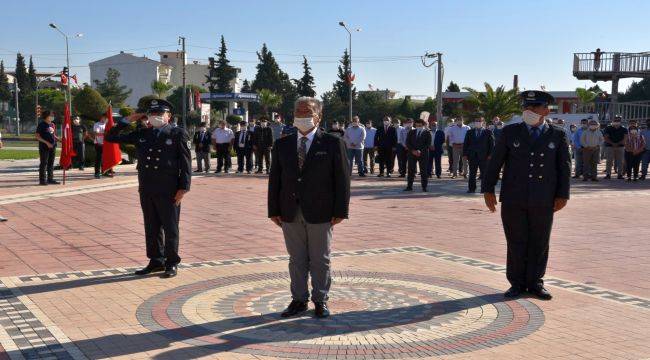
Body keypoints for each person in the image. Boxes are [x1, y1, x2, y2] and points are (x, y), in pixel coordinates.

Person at [482, 90, 570, 301]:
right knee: (516, 241)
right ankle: (516, 283)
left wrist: (562, 195)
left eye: (534, 107)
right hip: (514, 197)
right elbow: (495, 161)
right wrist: (488, 188)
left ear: (546, 110)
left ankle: (535, 283)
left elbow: (564, 167)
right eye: (526, 107)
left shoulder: (557, 134)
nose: (528, 111)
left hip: (543, 197)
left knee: (539, 241)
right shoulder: (510, 132)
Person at [268, 96, 350, 319]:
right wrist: (273, 209)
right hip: (290, 211)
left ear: (319, 116)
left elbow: (342, 180)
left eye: (307, 112)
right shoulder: (282, 144)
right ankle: (299, 299)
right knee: (296, 259)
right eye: (298, 112)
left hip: (322, 211)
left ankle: (320, 300)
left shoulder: (333, 143)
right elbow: (275, 179)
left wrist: (340, 211)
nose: (302, 116)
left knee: (320, 259)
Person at [105, 98, 191, 278]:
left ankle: (171, 262)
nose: (155, 117)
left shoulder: (177, 134)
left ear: (169, 116)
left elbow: (186, 163)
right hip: (147, 188)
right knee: (151, 227)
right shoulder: (144, 134)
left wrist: (183, 188)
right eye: (152, 114)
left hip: (169, 190)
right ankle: (156, 260)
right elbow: (110, 137)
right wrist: (127, 120)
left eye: (159, 114)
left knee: (170, 227)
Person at [463, 117, 494, 193]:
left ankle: (484, 189)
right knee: (472, 173)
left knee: (484, 174)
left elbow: (492, 145)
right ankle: (471, 189)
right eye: (476, 121)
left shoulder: (488, 132)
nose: (477, 122)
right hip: (472, 156)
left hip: (484, 156)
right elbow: (466, 144)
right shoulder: (469, 132)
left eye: (479, 121)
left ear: (483, 122)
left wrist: (490, 155)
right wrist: (465, 154)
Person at [405, 118, 432, 192]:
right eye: (417, 125)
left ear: (423, 125)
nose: (418, 127)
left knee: (423, 171)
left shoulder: (427, 133)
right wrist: (413, 150)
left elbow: (428, 144)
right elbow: (408, 142)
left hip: (423, 154)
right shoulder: (411, 132)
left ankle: (424, 187)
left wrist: (420, 151)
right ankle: (409, 186)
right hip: (412, 154)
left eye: (420, 125)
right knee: (411, 170)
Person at [35, 110, 60, 185]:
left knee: (51, 163)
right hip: (44, 147)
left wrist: (58, 139)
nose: (52, 117)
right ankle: (42, 180)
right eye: (51, 115)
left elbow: (53, 134)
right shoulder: (41, 125)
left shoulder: (52, 124)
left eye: (53, 115)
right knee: (44, 163)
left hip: (53, 146)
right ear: (46, 116)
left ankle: (50, 179)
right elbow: (37, 137)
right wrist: (47, 143)